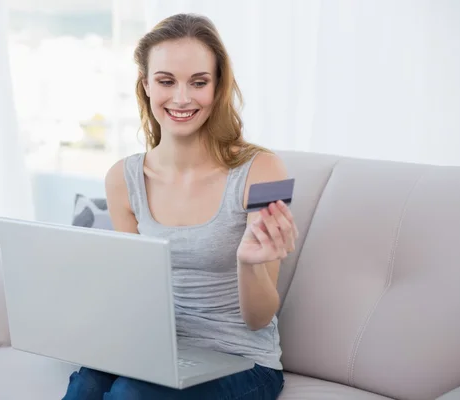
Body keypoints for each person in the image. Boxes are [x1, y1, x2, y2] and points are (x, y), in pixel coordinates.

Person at [62, 13, 298, 400]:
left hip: (243, 362)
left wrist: (249, 262)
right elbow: (138, 294)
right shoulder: (123, 178)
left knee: (129, 396)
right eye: (166, 81)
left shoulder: (264, 170)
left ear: (218, 87)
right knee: (86, 384)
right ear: (146, 86)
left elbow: (258, 320)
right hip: (160, 352)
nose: (182, 98)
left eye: (199, 82)